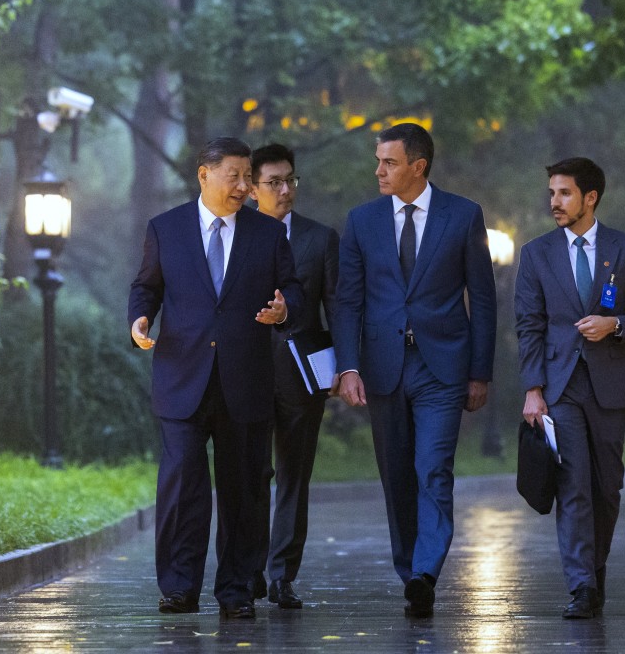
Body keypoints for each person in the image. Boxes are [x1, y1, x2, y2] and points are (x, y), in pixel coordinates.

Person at [128, 137, 303, 620]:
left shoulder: (267, 234)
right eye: (235, 176)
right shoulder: (166, 229)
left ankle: (236, 589)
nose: (245, 186)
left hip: (245, 379)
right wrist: (140, 319)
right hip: (182, 375)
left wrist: (285, 308)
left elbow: (293, 289)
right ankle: (179, 587)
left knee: (243, 487)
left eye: (249, 176)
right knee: (183, 482)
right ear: (204, 175)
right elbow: (146, 287)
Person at [334, 123, 496, 617]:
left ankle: (426, 570)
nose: (378, 170)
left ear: (418, 167)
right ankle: (410, 574)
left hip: (441, 368)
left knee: (433, 469)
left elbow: (484, 298)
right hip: (383, 367)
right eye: (378, 161)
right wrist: (348, 367)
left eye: (389, 162)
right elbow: (348, 301)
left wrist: (480, 372)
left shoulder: (463, 215)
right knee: (396, 475)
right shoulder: (361, 221)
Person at [514, 157, 625, 619]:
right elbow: (528, 324)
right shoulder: (537, 253)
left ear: (590, 197)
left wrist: (614, 323)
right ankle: (580, 586)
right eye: (552, 193)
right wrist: (533, 389)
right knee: (573, 483)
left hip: (610, 385)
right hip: (560, 387)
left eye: (563, 193)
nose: (554, 202)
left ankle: (595, 571)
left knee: (607, 487)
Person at [249, 143, 339, 609]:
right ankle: (249, 571)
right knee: (249, 474)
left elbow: (338, 308)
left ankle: (282, 574)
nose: (285, 190)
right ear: (252, 188)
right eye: (274, 183)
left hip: (302, 378)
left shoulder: (320, 239)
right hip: (245, 374)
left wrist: (346, 367)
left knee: (293, 477)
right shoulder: (234, 235)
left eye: (290, 181)